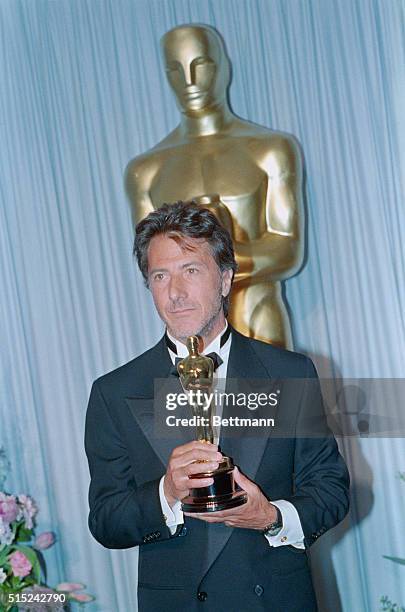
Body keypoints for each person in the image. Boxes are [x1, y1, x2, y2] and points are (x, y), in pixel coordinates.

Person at [85, 202, 350, 611]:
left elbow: (331, 491)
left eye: (191, 270)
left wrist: (272, 518)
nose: (175, 293)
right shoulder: (114, 392)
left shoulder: (290, 373)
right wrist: (166, 492)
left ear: (225, 278)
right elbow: (106, 521)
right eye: (160, 276)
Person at [125, 24, 305, 349]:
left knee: (276, 399)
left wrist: (217, 251)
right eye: (176, 69)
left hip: (257, 314)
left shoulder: (270, 149)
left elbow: (288, 251)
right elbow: (151, 265)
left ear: (223, 67)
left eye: (201, 65)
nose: (190, 81)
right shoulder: (146, 171)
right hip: (192, 330)